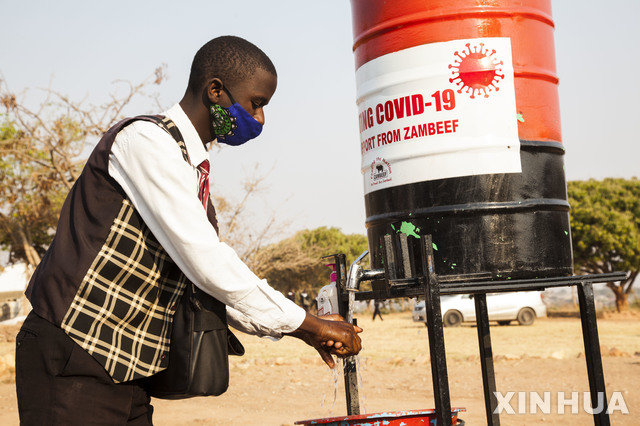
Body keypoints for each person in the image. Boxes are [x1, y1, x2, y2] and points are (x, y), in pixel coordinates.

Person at [15, 36, 362, 425]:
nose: (261, 119)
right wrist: (308, 323)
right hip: (73, 356)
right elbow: (208, 264)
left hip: (128, 372)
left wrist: (303, 329)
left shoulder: (192, 173)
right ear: (215, 90)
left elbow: (209, 287)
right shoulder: (145, 142)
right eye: (256, 103)